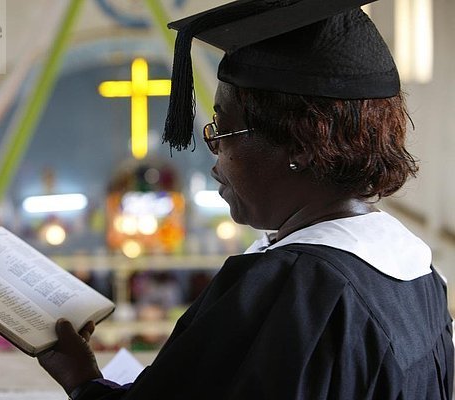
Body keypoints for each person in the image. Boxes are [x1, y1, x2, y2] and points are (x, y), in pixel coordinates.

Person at [38, 0, 454, 398]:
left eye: (223, 129)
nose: (214, 153)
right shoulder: (417, 273)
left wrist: (83, 380)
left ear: (301, 145)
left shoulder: (289, 290)